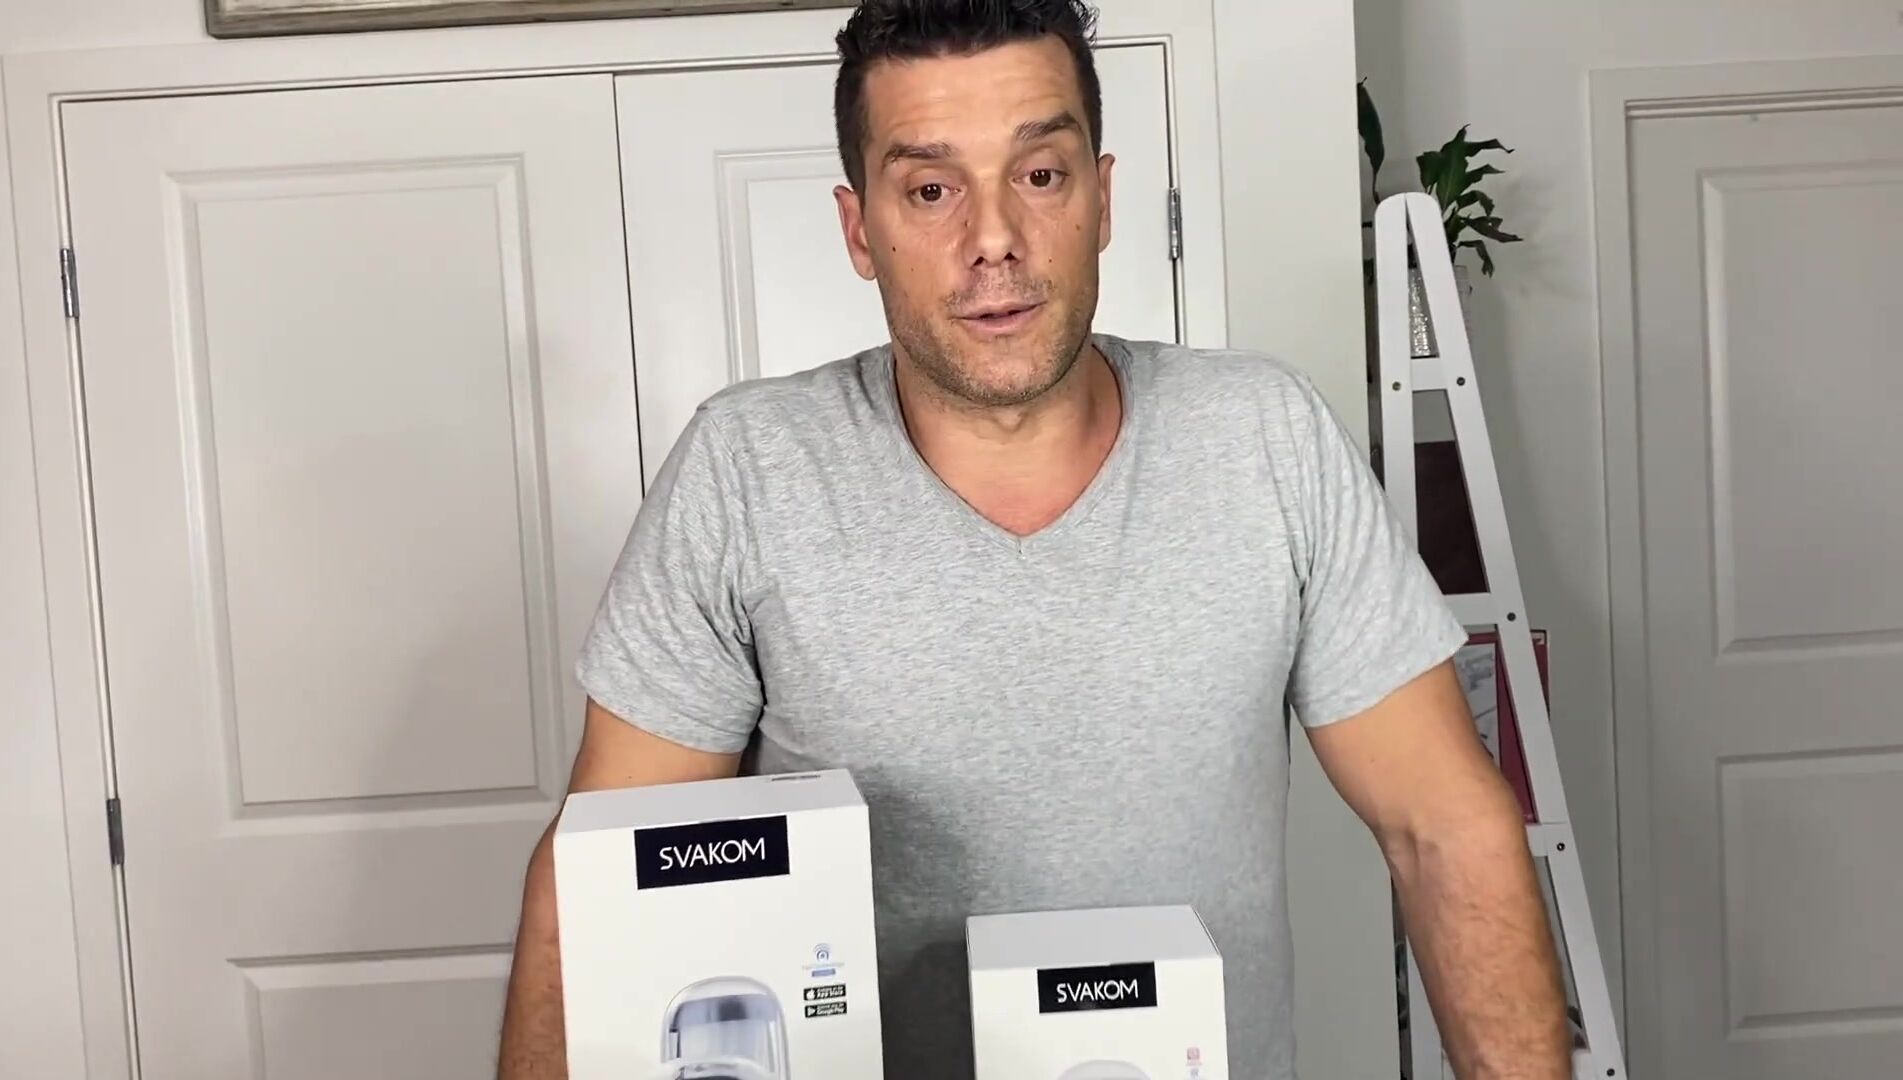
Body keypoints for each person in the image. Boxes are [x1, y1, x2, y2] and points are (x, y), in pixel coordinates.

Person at [496, 1, 1571, 1077]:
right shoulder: (748, 470)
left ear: (1101, 198)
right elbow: (598, 884)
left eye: (1041, 175)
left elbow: (1443, 826)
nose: (993, 238)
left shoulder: (1263, 437)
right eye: (931, 190)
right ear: (859, 230)